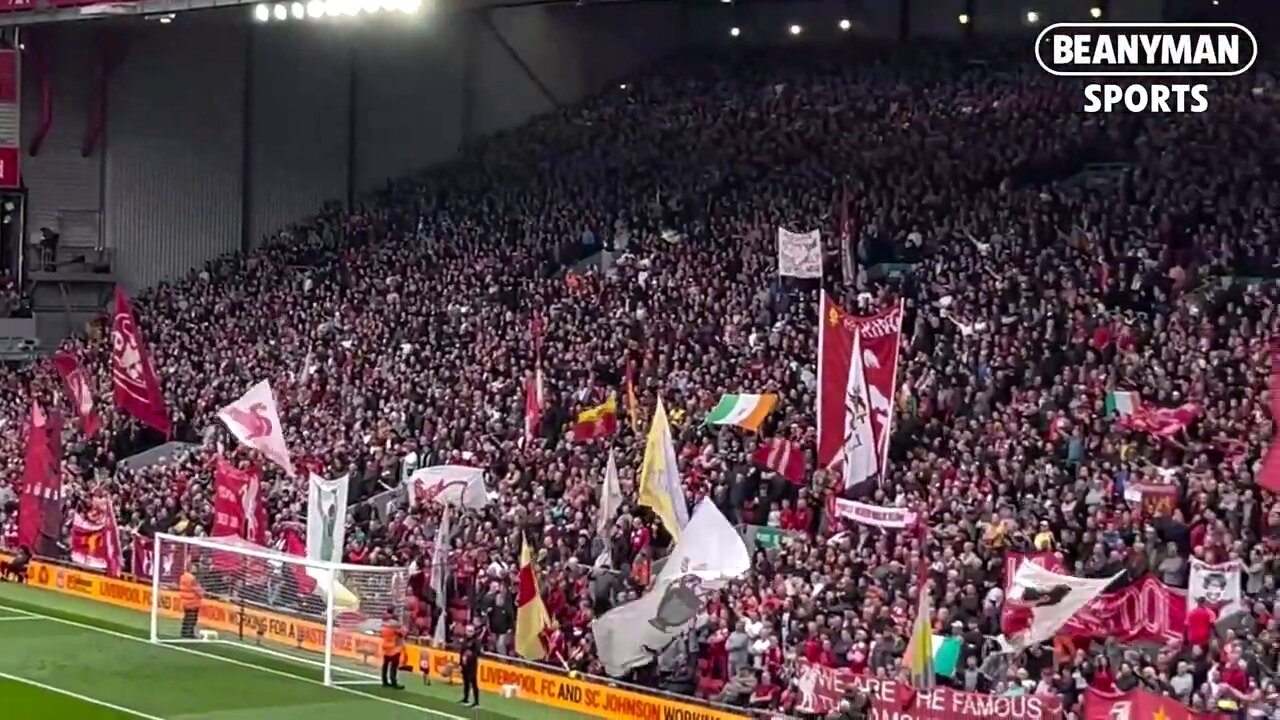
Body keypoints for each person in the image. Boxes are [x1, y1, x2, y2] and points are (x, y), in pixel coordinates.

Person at [380, 608, 407, 689]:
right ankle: (393, 681)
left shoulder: (385, 625)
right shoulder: (396, 626)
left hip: (386, 647)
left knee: (385, 664)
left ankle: (384, 680)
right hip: (395, 648)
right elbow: (403, 634)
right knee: (393, 666)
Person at [178, 563, 203, 640]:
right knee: (192, 619)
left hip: (185, 601)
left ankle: (184, 633)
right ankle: (189, 633)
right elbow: (196, 589)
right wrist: (202, 593)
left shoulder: (182, 577)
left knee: (187, 618)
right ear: (190, 568)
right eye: (194, 567)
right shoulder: (192, 578)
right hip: (192, 602)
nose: (196, 569)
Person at [459, 625, 481, 707]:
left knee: (473, 682)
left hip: (472, 665)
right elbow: (461, 653)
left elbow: (478, 653)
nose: (469, 633)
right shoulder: (464, 640)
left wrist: (469, 655)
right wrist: (460, 663)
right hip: (465, 665)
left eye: (471, 631)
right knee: (466, 682)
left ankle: (476, 701)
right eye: (468, 631)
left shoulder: (476, 641)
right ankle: (465, 698)